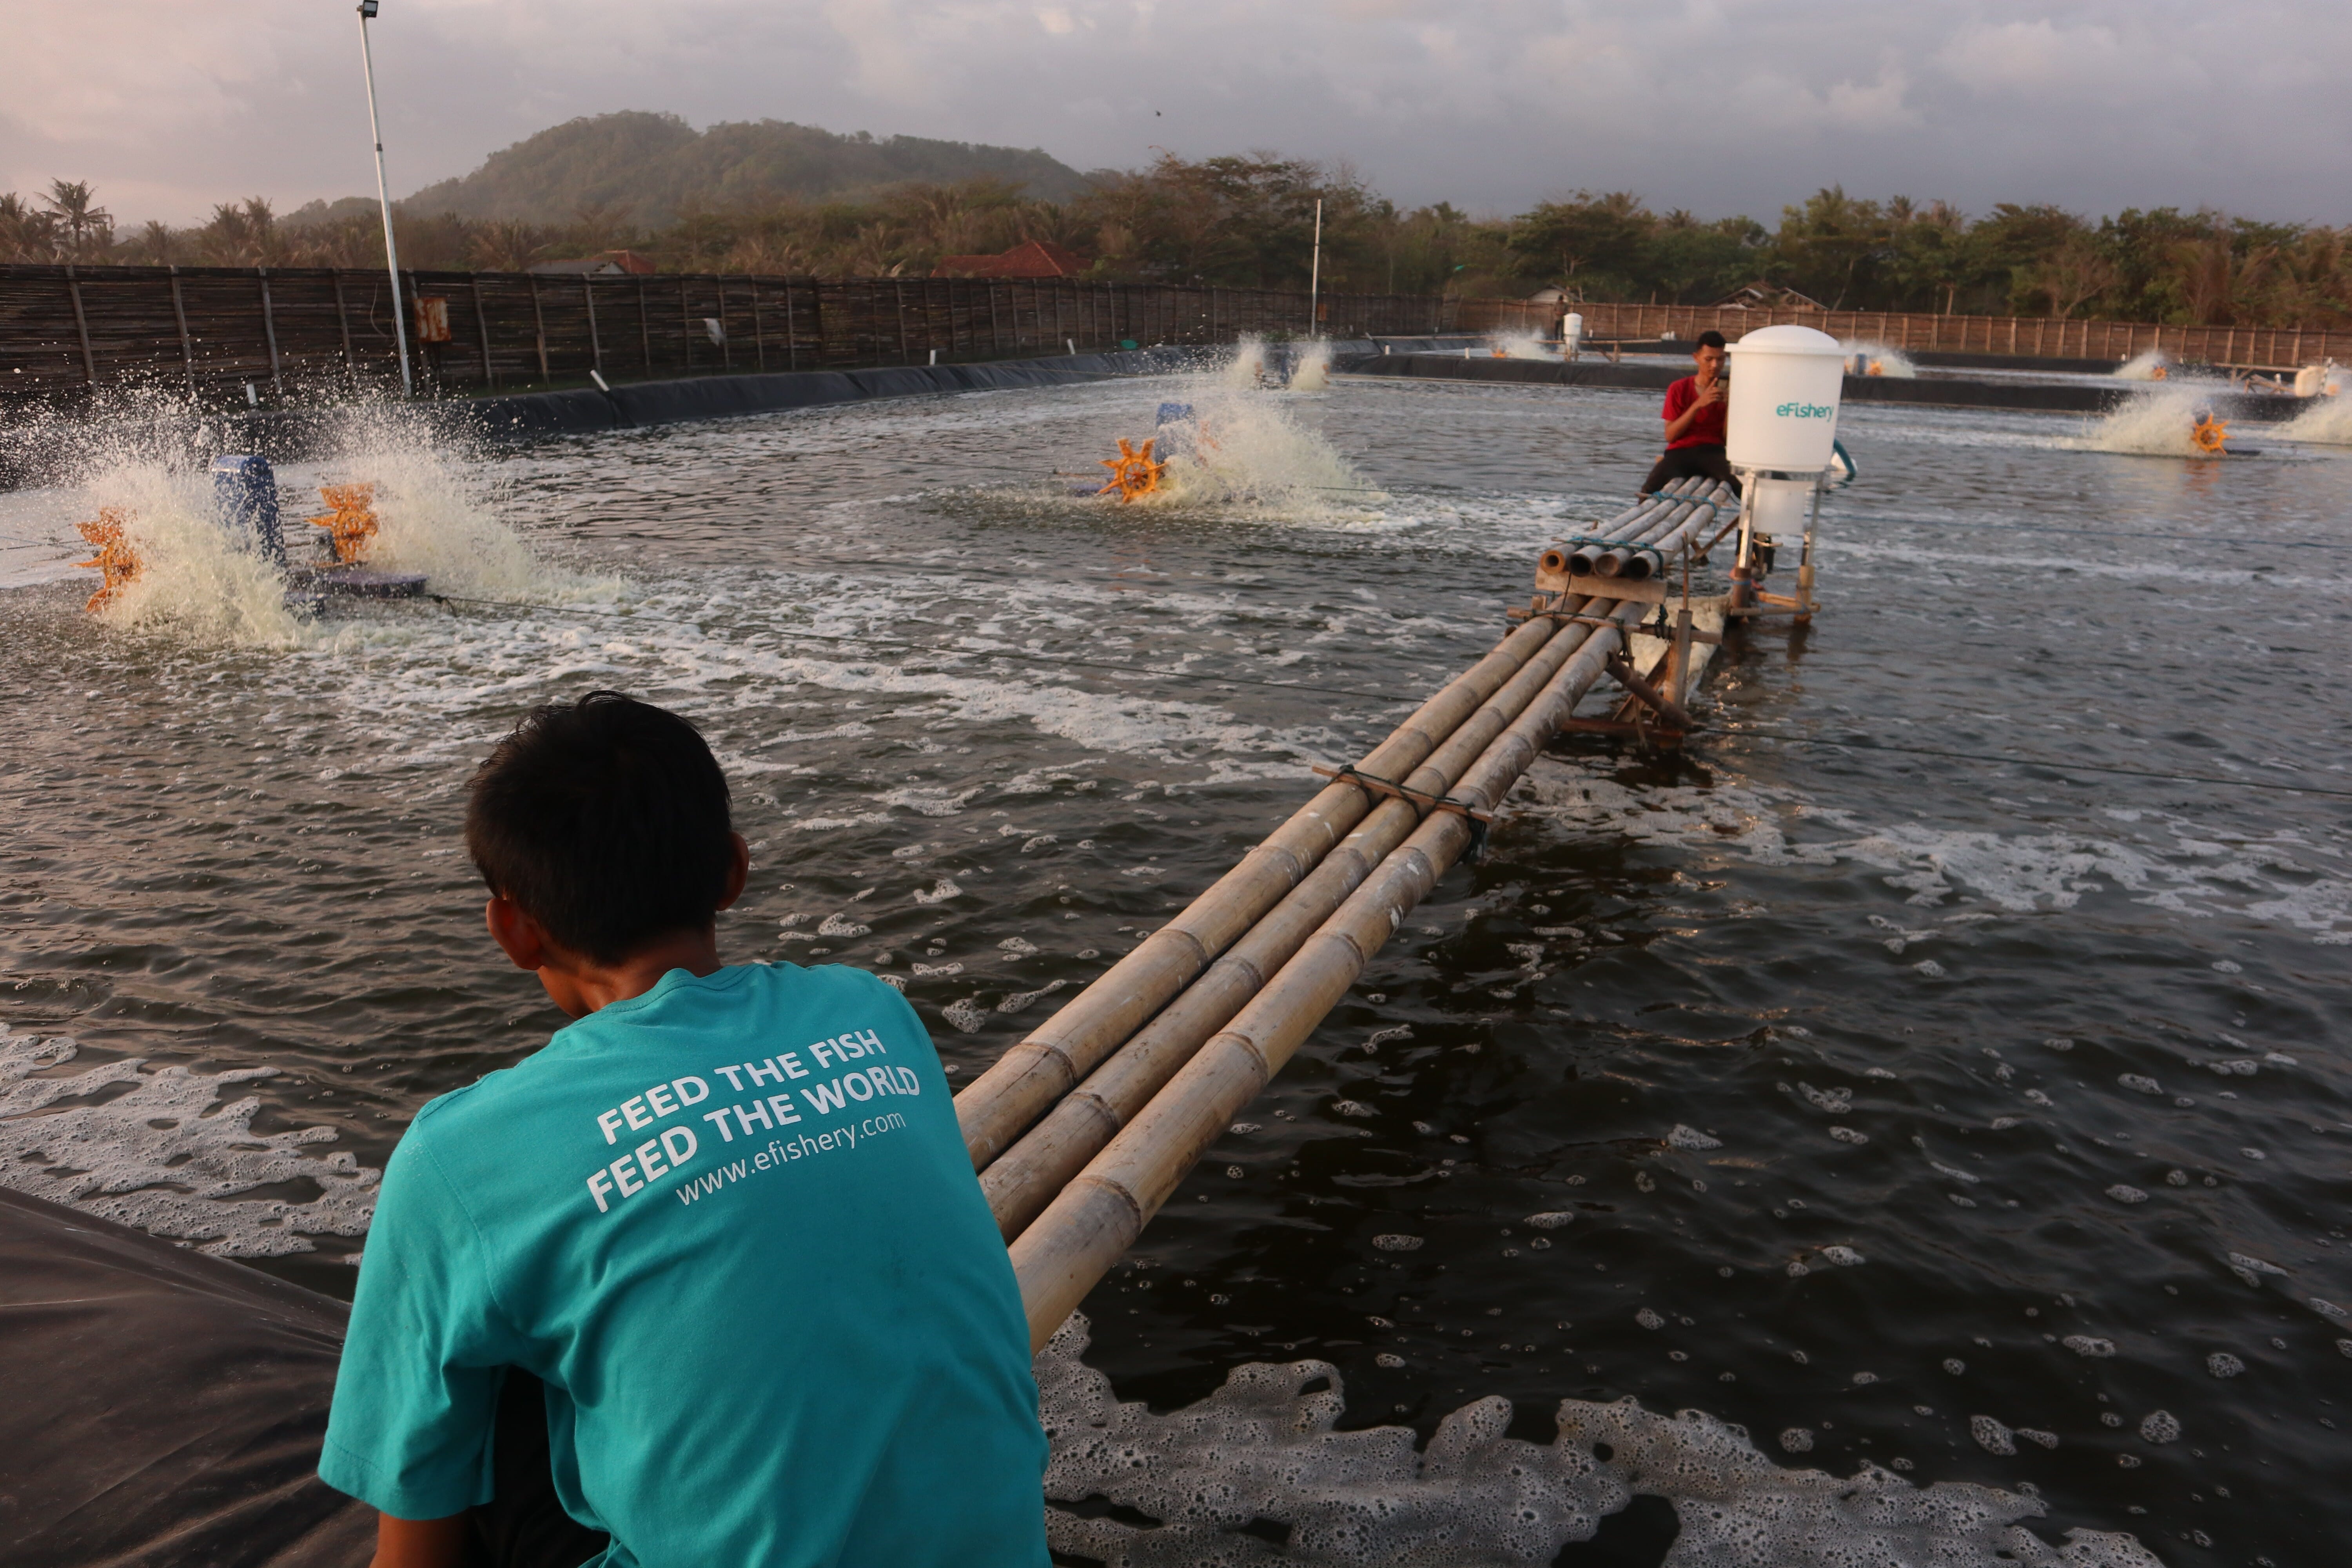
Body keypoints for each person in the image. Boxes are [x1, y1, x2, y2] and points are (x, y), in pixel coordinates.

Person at [319, 692, 1050, 1568]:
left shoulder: (459, 1155)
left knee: (492, 1344)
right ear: (733, 871)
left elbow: (413, 1559)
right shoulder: (872, 1011)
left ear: (514, 929)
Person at [1640, 330, 1740, 496]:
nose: (1715, 365)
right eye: (1709, 360)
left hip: (1713, 452)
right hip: (1681, 452)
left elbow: (1725, 440)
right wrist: (1698, 405)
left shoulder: (1731, 390)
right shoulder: (1679, 388)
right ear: (1697, 358)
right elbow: (1671, 436)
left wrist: (1730, 406)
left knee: (1739, 484)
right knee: (1649, 489)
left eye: (1721, 359)